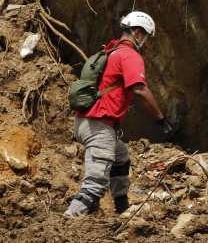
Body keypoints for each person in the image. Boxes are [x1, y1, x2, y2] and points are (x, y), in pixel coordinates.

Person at [64, 11, 175, 218]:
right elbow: (140, 90)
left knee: (120, 156)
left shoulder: (110, 51)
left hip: (84, 123)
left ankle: (122, 207)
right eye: (148, 38)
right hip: (99, 126)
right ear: (138, 33)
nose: (148, 44)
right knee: (94, 185)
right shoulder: (130, 55)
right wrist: (161, 120)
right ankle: (70, 219)